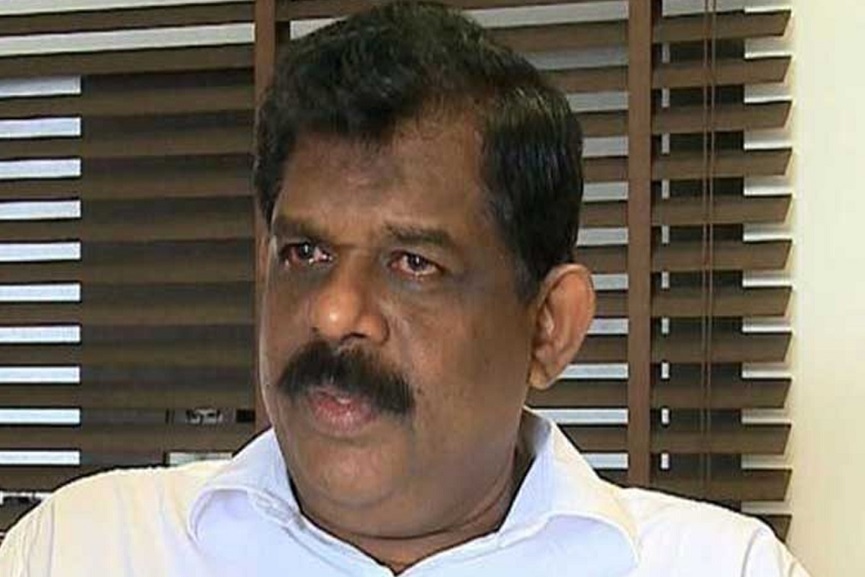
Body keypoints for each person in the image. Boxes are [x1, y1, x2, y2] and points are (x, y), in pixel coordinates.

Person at [0, 2, 809, 575]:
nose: (332, 311)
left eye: (413, 263)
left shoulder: (715, 566)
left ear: (548, 327)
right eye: (305, 251)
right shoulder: (84, 548)